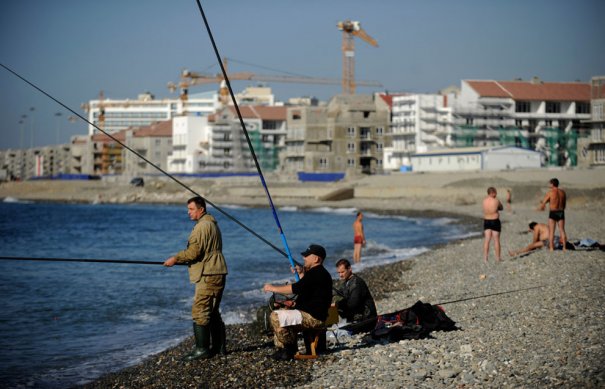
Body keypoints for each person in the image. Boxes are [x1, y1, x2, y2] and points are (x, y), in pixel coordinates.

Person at [164, 196, 228, 361]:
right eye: (188, 209)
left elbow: (193, 253)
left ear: (201, 209)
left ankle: (202, 350)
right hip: (216, 271)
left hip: (209, 274)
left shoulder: (201, 227)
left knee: (200, 311)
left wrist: (175, 258)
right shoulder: (212, 224)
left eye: (191, 209)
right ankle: (219, 348)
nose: (188, 213)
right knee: (212, 312)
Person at [263, 244, 332, 361]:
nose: (304, 258)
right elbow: (306, 291)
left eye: (307, 256)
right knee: (281, 311)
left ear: (316, 259)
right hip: (310, 312)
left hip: (315, 317)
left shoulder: (317, 273)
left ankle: (288, 350)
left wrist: (272, 288)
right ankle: (283, 349)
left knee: (276, 317)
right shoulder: (316, 273)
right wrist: (301, 274)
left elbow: (295, 288)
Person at [332, 258, 377, 332]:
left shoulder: (357, 283)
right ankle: (330, 325)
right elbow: (339, 295)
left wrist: (336, 305)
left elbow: (353, 304)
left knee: (338, 304)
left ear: (349, 269)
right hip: (357, 318)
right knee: (333, 298)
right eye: (339, 273)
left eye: (342, 272)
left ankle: (333, 327)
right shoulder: (346, 283)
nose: (340, 275)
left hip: (367, 320)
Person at [539, 178, 567, 251]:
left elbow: (544, 202)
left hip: (553, 212)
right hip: (561, 212)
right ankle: (564, 247)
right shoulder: (563, 192)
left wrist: (542, 203)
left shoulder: (550, 192)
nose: (549, 185)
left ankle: (551, 248)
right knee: (562, 230)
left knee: (551, 231)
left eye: (549, 183)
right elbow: (564, 205)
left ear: (552, 184)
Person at [482, 187, 503, 263]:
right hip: (494, 221)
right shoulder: (496, 200)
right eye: (495, 192)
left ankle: (485, 259)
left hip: (486, 221)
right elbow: (501, 207)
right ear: (493, 193)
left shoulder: (484, 201)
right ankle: (497, 258)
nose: (496, 194)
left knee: (487, 240)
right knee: (496, 240)